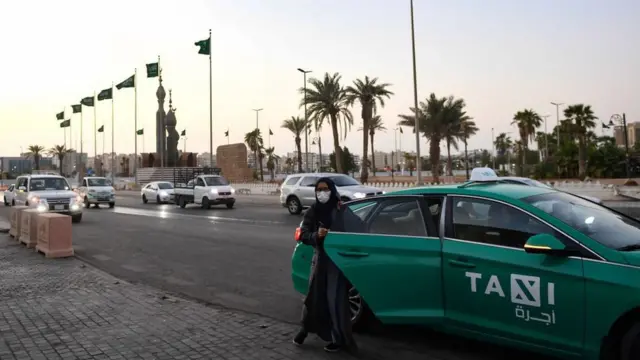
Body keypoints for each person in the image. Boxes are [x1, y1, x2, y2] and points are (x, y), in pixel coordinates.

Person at [292, 177, 358, 354]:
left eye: (325, 189)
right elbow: (304, 234)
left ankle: (339, 339)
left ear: (332, 190)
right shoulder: (313, 211)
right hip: (319, 259)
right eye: (319, 190)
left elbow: (358, 226)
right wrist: (316, 236)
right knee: (313, 298)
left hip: (336, 261)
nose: (322, 193)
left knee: (335, 300)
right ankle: (304, 330)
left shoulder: (341, 209)